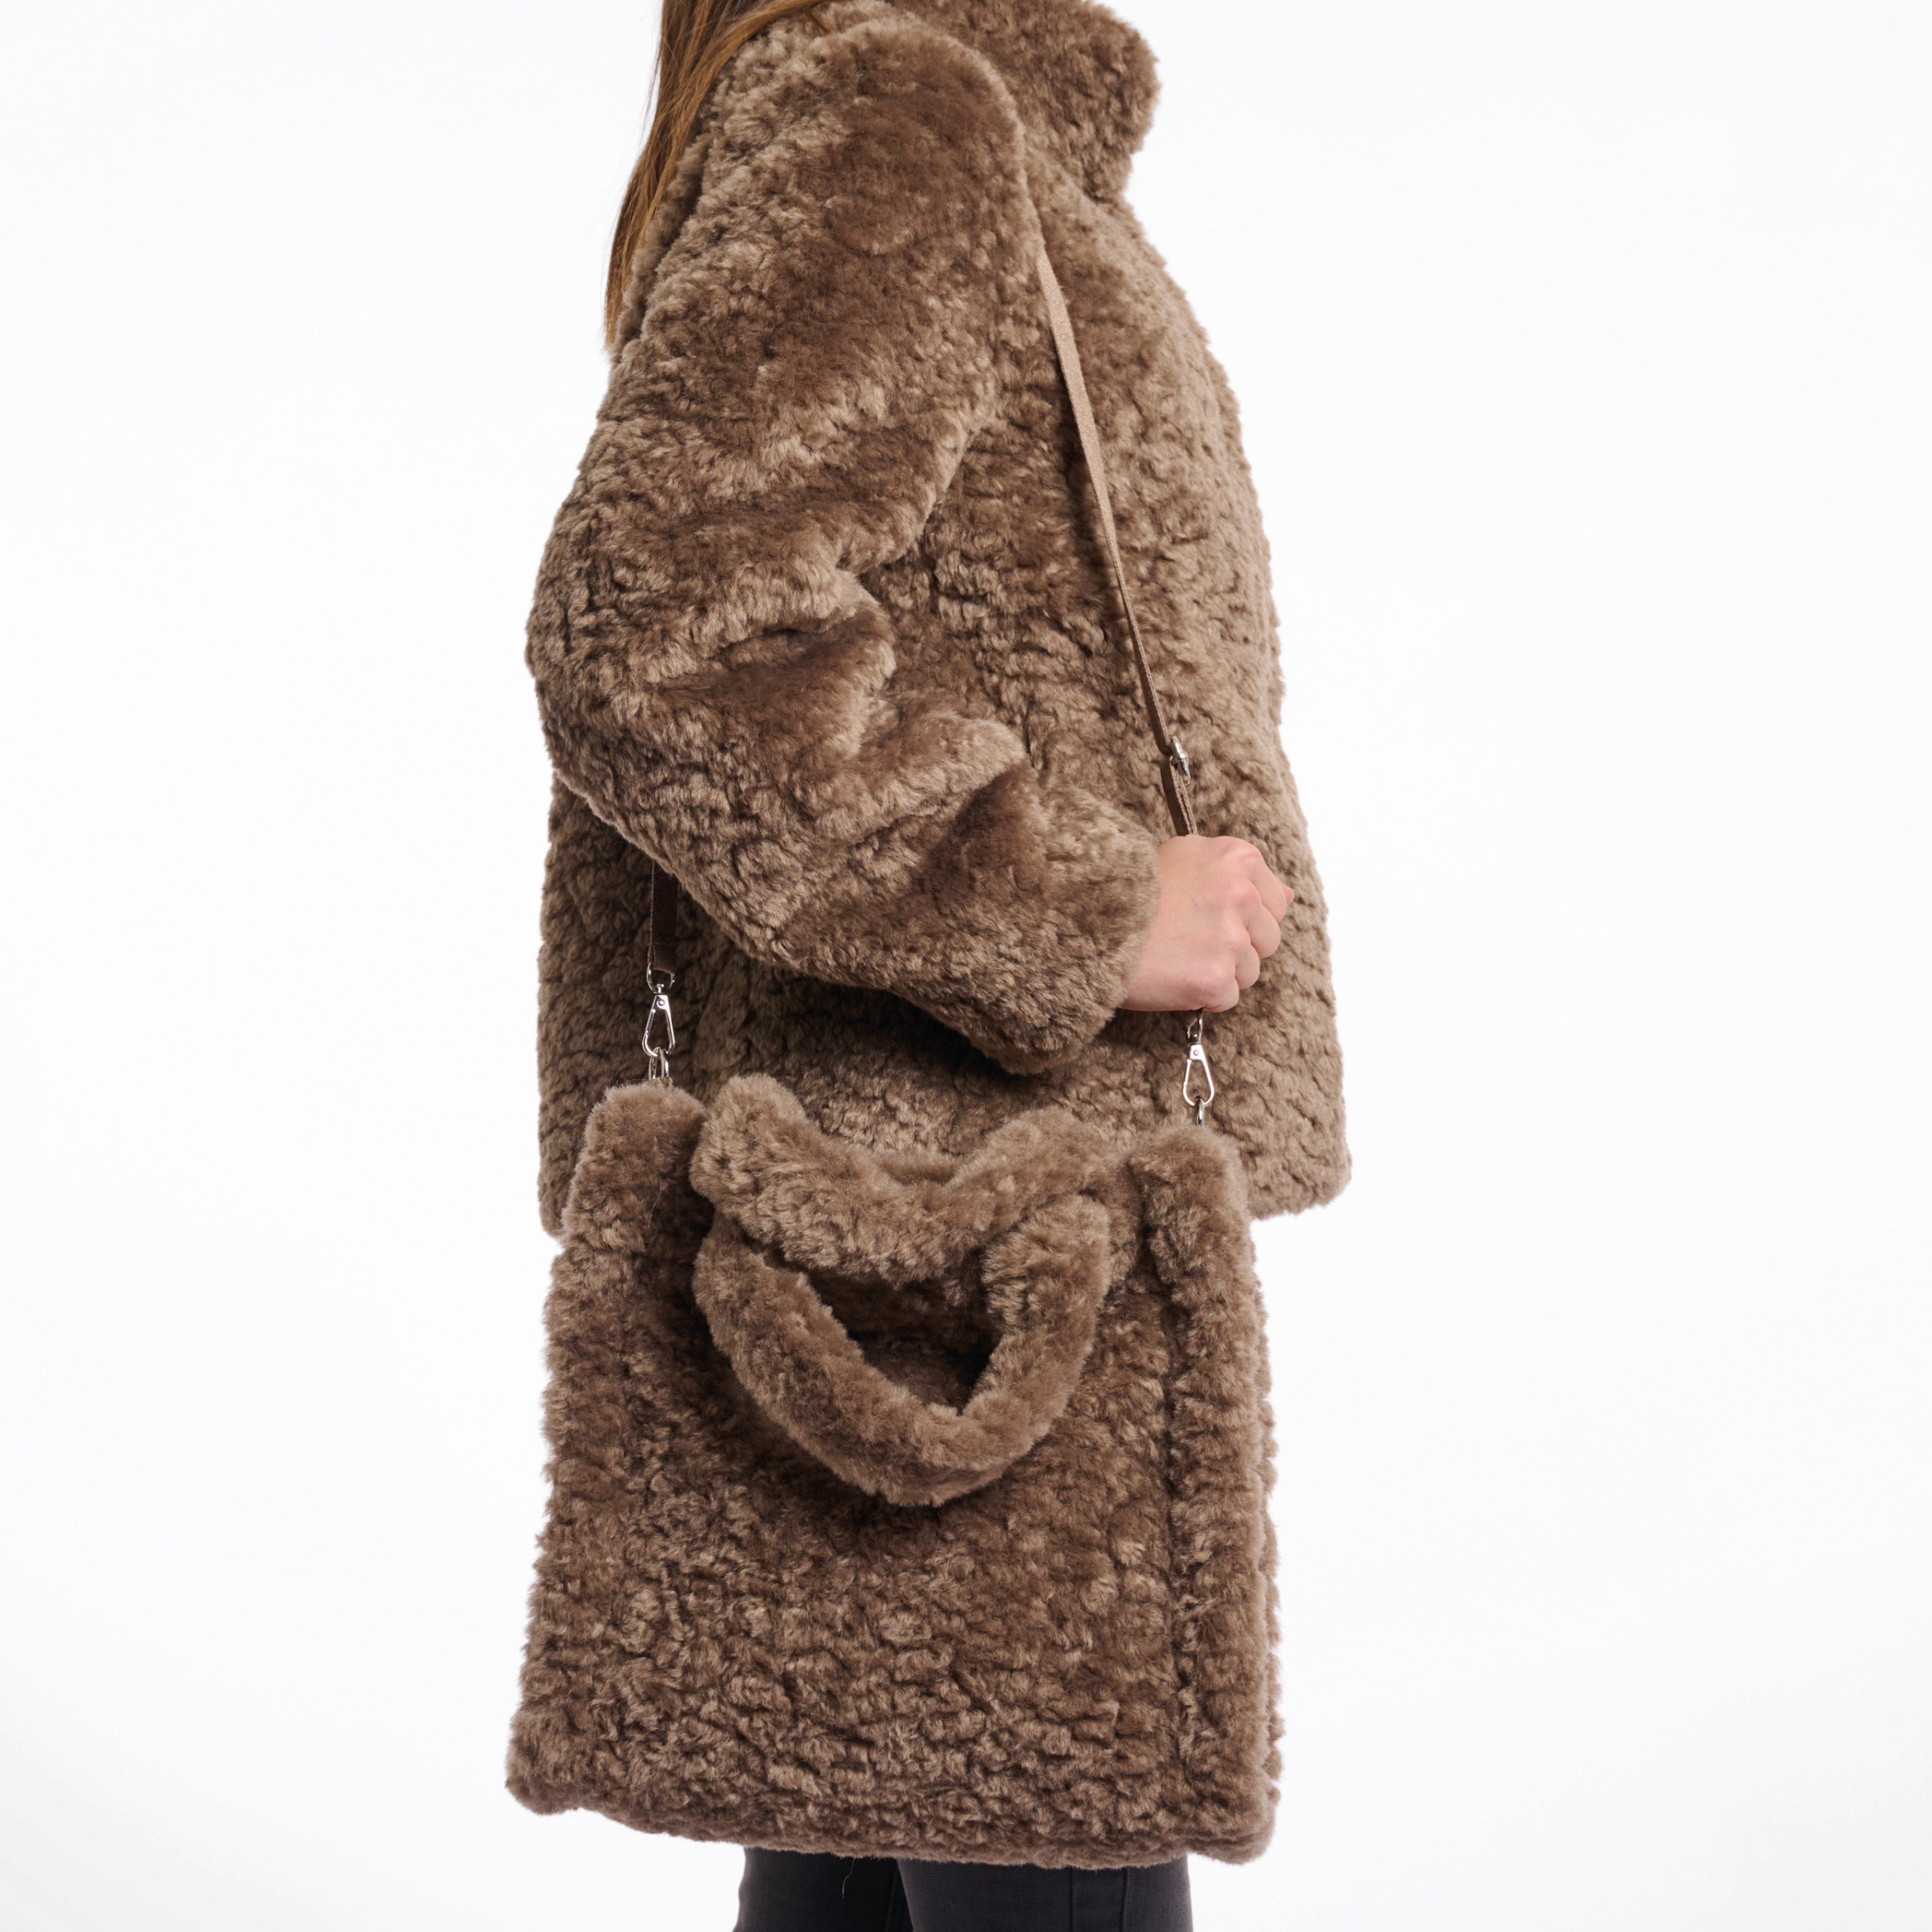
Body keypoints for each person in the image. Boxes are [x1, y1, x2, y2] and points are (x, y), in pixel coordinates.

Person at [521, 0, 1348, 1923]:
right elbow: (651, 629)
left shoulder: (951, 128)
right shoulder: (896, 102)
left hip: (892, 1228)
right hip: (982, 1250)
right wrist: (1069, 906)